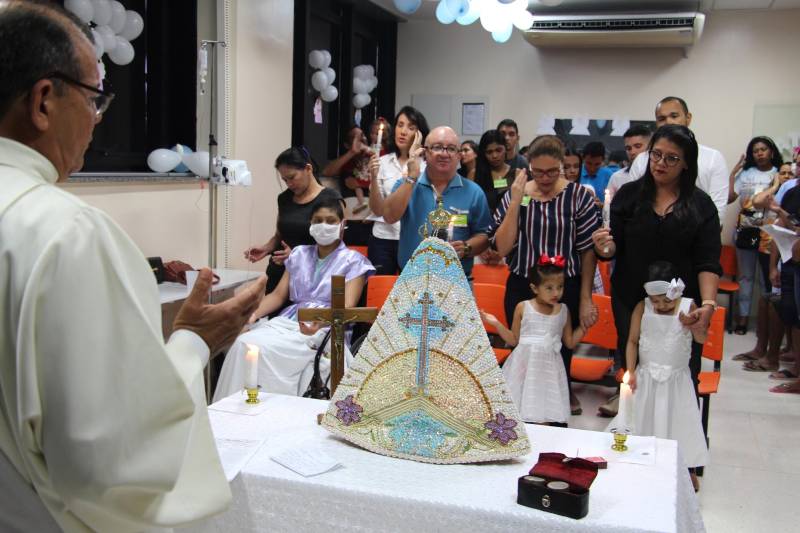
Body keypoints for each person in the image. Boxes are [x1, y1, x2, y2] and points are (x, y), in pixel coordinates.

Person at [0, 2, 268, 531]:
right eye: (95, 99)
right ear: (44, 101)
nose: (99, 121)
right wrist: (193, 341)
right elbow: (112, 464)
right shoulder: (66, 232)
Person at [592, 125, 722, 417]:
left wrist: (709, 304)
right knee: (635, 370)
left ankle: (676, 444)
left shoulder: (701, 206)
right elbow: (613, 250)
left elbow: (708, 262)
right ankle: (635, 438)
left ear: (687, 163)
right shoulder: (629, 195)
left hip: (680, 305)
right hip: (632, 298)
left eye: (672, 158)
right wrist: (604, 247)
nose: (661, 164)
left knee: (680, 373)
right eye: (656, 155)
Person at [214, 196, 374, 400]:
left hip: (325, 327)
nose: (323, 226)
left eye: (331, 220)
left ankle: (275, 410)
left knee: (264, 349)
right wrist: (250, 316)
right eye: (318, 220)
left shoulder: (355, 262)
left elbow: (346, 307)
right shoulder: (298, 254)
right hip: (288, 322)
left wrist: (319, 322)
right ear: (310, 224)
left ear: (342, 224)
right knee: (242, 343)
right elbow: (278, 295)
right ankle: (235, 412)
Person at [492, 136, 601, 415]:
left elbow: (588, 251)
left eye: (553, 171)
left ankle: (555, 407)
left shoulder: (578, 196)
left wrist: (587, 297)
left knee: (559, 350)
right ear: (528, 166)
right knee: (524, 351)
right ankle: (519, 410)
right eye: (538, 171)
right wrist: (516, 201)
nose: (545, 178)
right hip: (523, 284)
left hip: (564, 287)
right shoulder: (518, 193)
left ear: (562, 166)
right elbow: (502, 246)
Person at [616, 260, 709, 491]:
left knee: (681, 423)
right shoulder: (643, 307)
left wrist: (694, 325)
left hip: (676, 379)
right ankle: (642, 461)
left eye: (667, 300)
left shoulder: (689, 306)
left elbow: (701, 340)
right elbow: (632, 341)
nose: (661, 305)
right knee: (643, 418)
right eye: (656, 300)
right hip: (647, 376)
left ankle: (687, 468)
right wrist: (630, 369)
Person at [481, 256, 586, 426]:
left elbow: (570, 342)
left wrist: (584, 327)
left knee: (544, 409)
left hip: (549, 369)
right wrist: (494, 322)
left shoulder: (563, 310)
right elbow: (513, 340)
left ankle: (543, 446)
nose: (556, 293)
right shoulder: (523, 307)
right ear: (534, 288)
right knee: (520, 407)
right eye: (549, 288)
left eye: (560, 287)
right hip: (525, 366)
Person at [381, 126, 491, 278]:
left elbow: (485, 235)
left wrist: (467, 247)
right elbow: (389, 217)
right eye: (437, 147)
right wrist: (412, 177)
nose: (444, 154)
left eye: (451, 149)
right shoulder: (407, 184)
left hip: (456, 282)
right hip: (411, 280)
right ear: (425, 152)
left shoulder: (474, 192)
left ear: (459, 156)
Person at [245, 147, 341, 296]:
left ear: (308, 169)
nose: (289, 184)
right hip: (279, 272)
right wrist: (266, 248)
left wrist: (297, 256)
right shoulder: (284, 198)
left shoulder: (330, 198)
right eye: (284, 180)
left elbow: (335, 246)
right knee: (272, 317)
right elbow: (279, 235)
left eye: (292, 177)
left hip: (311, 275)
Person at [627, 96, 729, 217]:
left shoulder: (713, 158)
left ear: (688, 118)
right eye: (662, 118)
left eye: (674, 116)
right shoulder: (642, 160)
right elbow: (632, 202)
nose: (669, 122)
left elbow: (717, 212)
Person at [728, 136, 782, 335]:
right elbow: (729, 198)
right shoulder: (746, 173)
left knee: (768, 278)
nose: (759, 153)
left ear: (771, 152)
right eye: (755, 150)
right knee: (746, 277)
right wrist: (733, 173)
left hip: (769, 233)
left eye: (763, 149)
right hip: (747, 231)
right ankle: (742, 320)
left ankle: (767, 325)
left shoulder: (780, 173)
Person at [367, 106, 429, 274]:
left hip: (414, 239)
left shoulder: (426, 167)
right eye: (400, 125)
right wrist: (373, 177)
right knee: (380, 291)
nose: (403, 131)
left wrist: (414, 158)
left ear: (419, 134)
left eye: (410, 127)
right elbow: (378, 209)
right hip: (383, 238)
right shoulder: (382, 162)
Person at [321, 125, 372, 204]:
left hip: (373, 206)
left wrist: (360, 183)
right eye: (355, 137)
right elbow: (326, 172)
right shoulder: (347, 161)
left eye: (362, 135)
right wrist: (352, 152)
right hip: (351, 207)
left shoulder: (375, 157)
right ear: (347, 145)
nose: (360, 139)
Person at [474, 129, 514, 213]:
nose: (494, 156)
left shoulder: (517, 173)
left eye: (498, 150)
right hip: (483, 223)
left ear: (505, 148)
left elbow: (526, 202)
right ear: (484, 153)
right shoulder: (475, 173)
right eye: (489, 152)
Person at [607, 124, 652, 196]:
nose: (632, 152)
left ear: (650, 146)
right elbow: (609, 205)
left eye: (638, 146)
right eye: (628, 148)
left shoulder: (659, 175)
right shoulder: (617, 177)